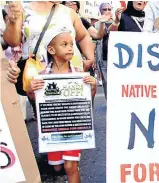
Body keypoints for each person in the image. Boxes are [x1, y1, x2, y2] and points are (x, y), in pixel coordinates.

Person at [28, 27, 96, 183]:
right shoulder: (42, 77)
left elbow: (87, 102)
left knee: (70, 166)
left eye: (71, 44)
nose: (70, 47)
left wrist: (92, 88)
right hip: (53, 130)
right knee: (57, 167)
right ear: (51, 49)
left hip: (74, 128)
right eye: (64, 44)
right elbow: (33, 100)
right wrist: (31, 89)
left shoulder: (78, 74)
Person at [4, 1, 94, 91]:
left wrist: (90, 58)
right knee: (44, 104)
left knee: (75, 104)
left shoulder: (68, 12)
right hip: (38, 78)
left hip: (72, 74)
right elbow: (12, 42)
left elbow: (83, 36)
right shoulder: (23, 11)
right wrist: (12, 22)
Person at [94, 3, 114, 99]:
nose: (107, 11)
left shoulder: (118, 22)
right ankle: (109, 104)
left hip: (117, 58)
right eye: (104, 9)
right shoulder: (96, 24)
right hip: (104, 57)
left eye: (109, 9)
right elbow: (94, 41)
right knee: (107, 82)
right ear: (100, 11)